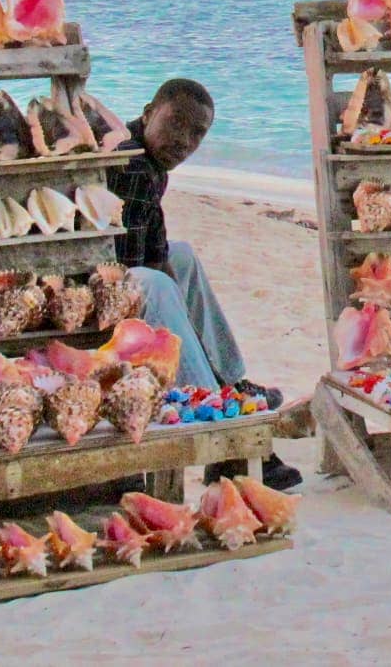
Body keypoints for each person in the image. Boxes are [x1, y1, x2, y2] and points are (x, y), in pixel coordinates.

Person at [107, 78, 303, 491]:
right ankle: (220, 428)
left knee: (182, 255)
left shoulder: (145, 155)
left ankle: (229, 381)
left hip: (115, 264)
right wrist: (191, 333)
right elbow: (141, 264)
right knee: (155, 284)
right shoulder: (135, 165)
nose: (185, 141)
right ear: (147, 113)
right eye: (176, 124)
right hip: (86, 280)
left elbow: (157, 246)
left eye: (198, 133)